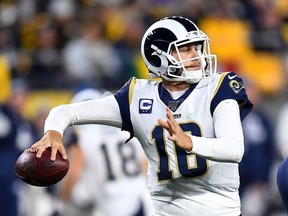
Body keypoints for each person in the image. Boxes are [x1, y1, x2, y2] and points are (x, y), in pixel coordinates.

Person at [31, 16, 253, 216]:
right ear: (159, 57)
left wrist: (189, 142)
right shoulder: (137, 97)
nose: (197, 56)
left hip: (219, 210)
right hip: (164, 211)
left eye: (197, 48)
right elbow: (67, 111)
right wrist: (53, 132)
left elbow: (234, 150)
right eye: (186, 49)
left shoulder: (219, 87)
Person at [57, 88, 152, 216]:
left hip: (112, 204)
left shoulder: (84, 137)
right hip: (141, 199)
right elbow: (145, 166)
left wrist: (61, 203)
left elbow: (75, 171)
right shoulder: (126, 127)